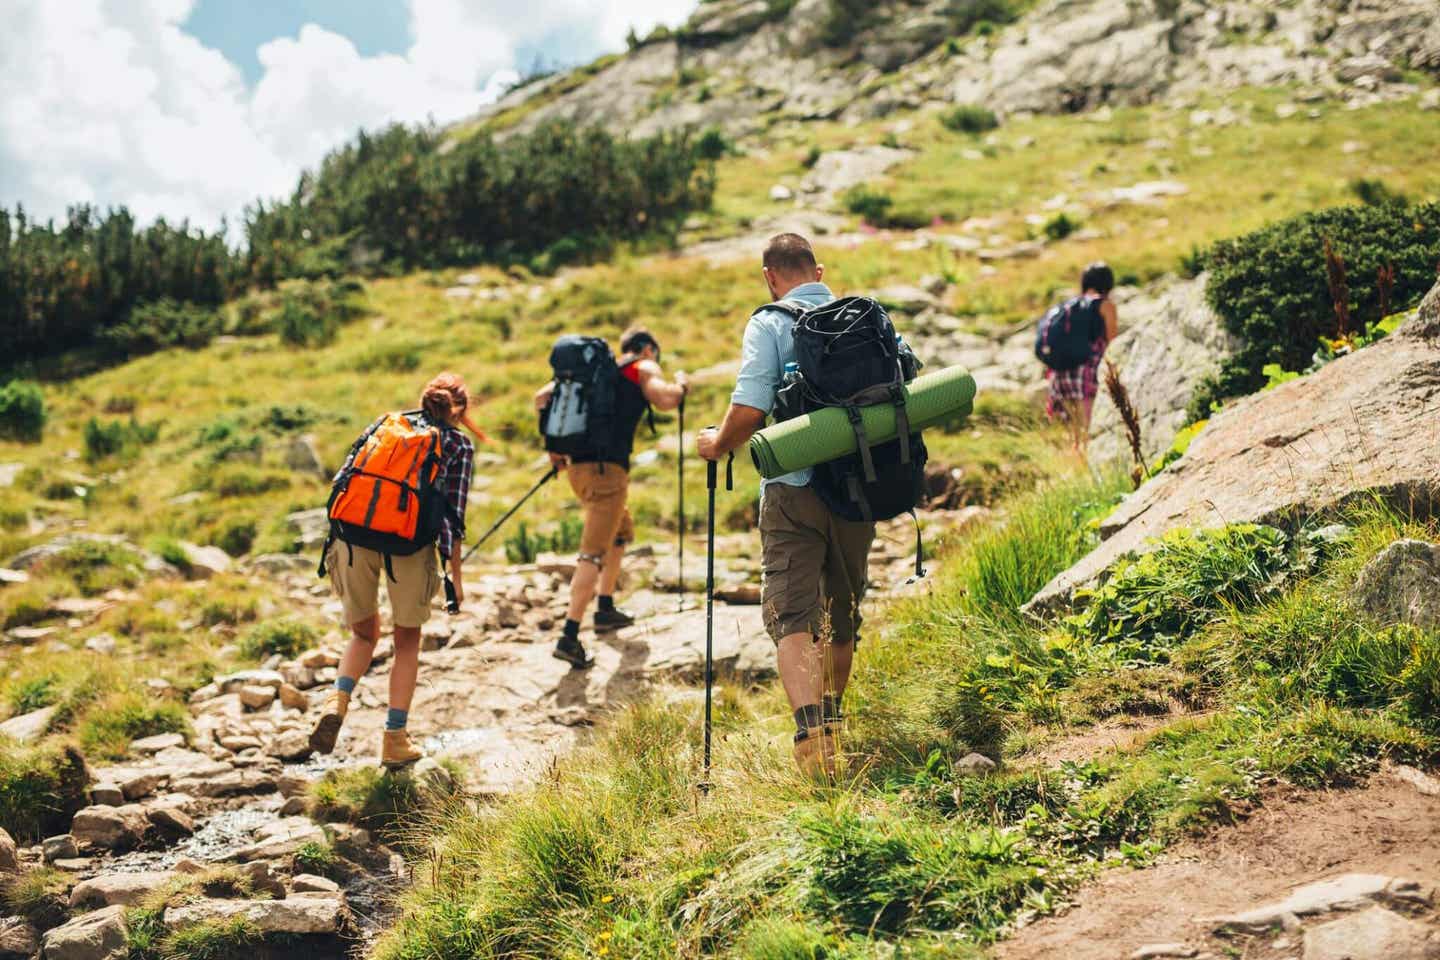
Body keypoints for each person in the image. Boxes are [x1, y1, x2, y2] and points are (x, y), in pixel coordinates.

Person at [696, 233, 873, 779]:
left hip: (792, 487)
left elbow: (749, 408)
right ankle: (835, 725)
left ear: (770, 277)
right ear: (819, 271)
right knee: (841, 616)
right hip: (859, 486)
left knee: (793, 616)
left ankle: (814, 742)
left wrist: (715, 444)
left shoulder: (770, 321)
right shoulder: (861, 316)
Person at [309, 373, 475, 768]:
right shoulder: (457, 444)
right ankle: (395, 739)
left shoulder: (386, 424)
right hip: (409, 547)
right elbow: (454, 518)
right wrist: (456, 580)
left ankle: (337, 700)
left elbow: (343, 479)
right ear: (461, 410)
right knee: (406, 642)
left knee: (364, 635)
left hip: (352, 538)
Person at [535, 326, 688, 669]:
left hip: (578, 470)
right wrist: (680, 385)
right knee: (592, 553)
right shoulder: (641, 366)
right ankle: (569, 636)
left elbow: (541, 398)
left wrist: (553, 450)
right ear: (648, 348)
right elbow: (665, 399)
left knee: (620, 532)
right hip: (607, 473)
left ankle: (605, 608)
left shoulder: (595, 374)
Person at [1045, 262, 1120, 450]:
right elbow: (1113, 342)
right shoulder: (1105, 305)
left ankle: (1072, 468)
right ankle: (1084, 468)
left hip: (1060, 375)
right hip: (1085, 373)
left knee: (1072, 433)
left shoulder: (1069, 306)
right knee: (1087, 429)